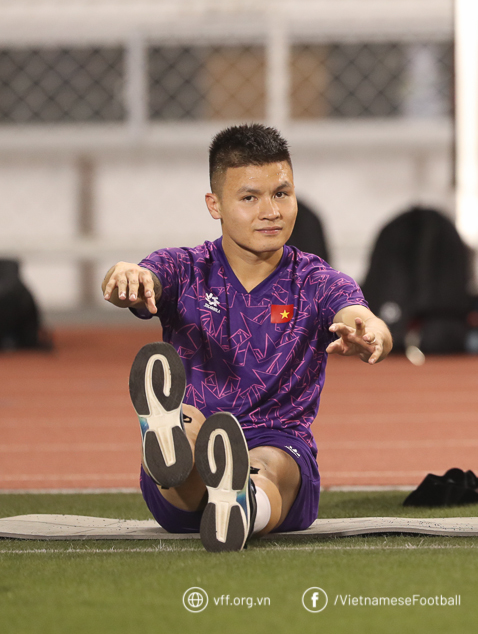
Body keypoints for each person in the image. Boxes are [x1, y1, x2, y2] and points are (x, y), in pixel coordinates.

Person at [101, 124, 391, 552]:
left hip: (279, 443)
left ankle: (238, 500)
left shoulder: (315, 279)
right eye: (250, 198)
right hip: (193, 458)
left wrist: (371, 331)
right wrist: (124, 275)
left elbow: (358, 313)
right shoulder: (185, 268)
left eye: (282, 193)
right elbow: (144, 279)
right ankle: (176, 443)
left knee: (271, 463)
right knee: (192, 424)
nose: (271, 211)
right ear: (214, 205)